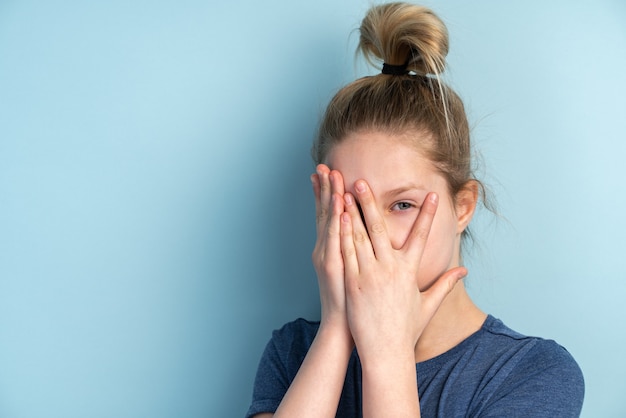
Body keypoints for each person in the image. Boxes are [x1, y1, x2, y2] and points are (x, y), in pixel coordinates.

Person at [246, 2, 585, 417]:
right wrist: (337, 330)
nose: (376, 235)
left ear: (463, 207)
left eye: (402, 204)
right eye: (351, 206)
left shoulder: (532, 374)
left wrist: (388, 351)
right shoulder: (293, 353)